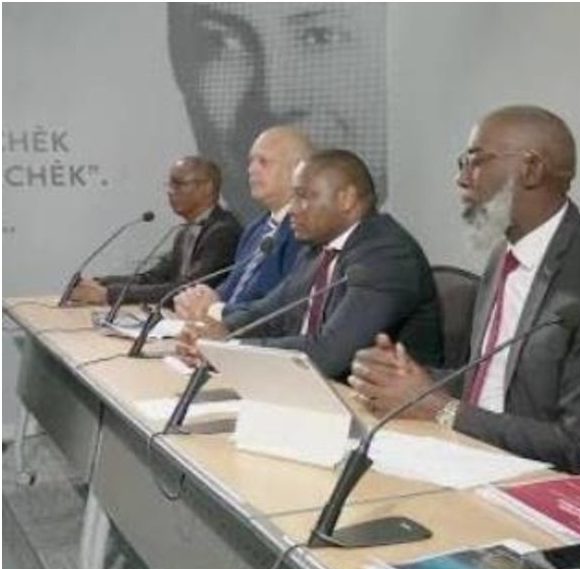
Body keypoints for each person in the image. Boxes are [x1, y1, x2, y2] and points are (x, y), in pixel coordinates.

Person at [347, 105, 580, 474]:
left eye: (475, 161)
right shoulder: (503, 255)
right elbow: (492, 381)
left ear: (531, 169)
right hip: (470, 454)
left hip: (534, 480)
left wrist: (440, 409)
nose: (461, 179)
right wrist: (406, 379)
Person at [176, 149, 441, 379]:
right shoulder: (317, 249)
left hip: (382, 410)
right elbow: (269, 313)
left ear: (346, 199)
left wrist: (228, 348)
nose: (293, 208)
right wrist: (216, 331)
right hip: (316, 393)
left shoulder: (386, 255)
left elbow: (329, 353)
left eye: (304, 196)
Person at [166, 3, 386, 221]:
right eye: (220, 41)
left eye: (321, 36)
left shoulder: (383, 244)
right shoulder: (256, 233)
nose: (275, 100)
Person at [175, 126, 314, 322]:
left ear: (298, 169)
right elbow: (233, 287)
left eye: (263, 162)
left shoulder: (306, 233)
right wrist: (201, 297)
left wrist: (215, 310)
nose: (251, 170)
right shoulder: (256, 229)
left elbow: (279, 306)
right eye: (251, 162)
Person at [68, 157, 241, 306]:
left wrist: (109, 294)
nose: (170, 191)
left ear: (207, 187)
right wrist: (101, 283)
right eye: (169, 184)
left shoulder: (223, 232)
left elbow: (186, 290)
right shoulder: (184, 232)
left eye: (179, 184)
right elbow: (153, 278)